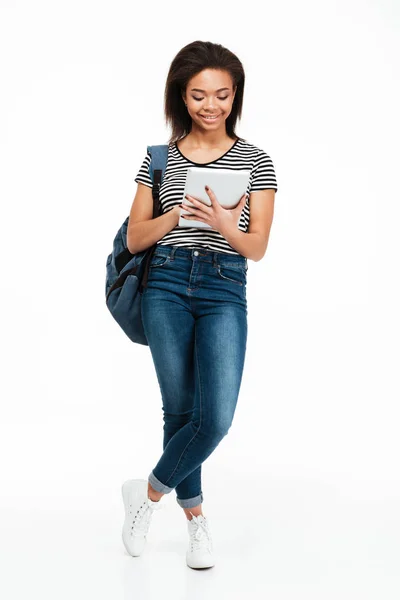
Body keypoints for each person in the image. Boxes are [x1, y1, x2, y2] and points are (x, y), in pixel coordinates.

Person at [121, 40, 278, 569]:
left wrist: (225, 226)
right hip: (165, 284)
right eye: (198, 96)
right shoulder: (159, 159)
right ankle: (197, 523)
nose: (211, 106)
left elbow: (256, 248)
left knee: (216, 417)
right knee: (181, 411)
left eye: (222, 95)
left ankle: (146, 495)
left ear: (235, 96)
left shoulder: (256, 160)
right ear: (181, 98)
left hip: (223, 287)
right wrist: (176, 216)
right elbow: (137, 237)